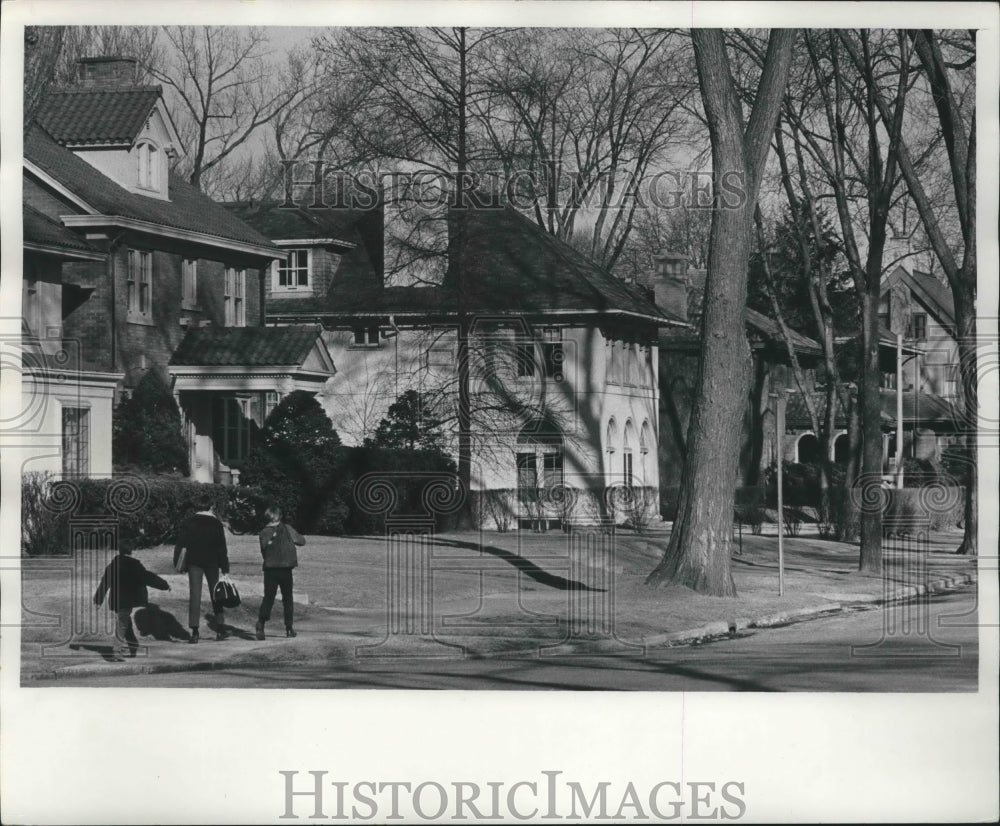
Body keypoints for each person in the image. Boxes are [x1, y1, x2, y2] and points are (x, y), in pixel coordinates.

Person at [93, 546, 170, 661]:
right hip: (128, 599)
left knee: (124, 621)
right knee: (123, 623)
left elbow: (105, 583)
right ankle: (117, 651)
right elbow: (148, 577)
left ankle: (133, 645)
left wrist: (98, 600)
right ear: (131, 552)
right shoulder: (135, 565)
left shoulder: (112, 566)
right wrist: (164, 585)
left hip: (117, 600)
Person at [173, 497, 231, 643]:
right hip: (212, 562)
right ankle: (220, 628)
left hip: (194, 562)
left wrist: (178, 563)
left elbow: (180, 544)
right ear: (211, 506)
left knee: (195, 595)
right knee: (216, 593)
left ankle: (194, 631)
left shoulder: (189, 522)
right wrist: (225, 567)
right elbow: (221, 547)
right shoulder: (216, 523)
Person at [255, 506, 305, 640]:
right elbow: (301, 541)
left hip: (270, 569)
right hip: (286, 568)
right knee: (287, 598)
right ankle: (289, 628)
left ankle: (261, 623)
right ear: (279, 516)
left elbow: (264, 550)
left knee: (268, 598)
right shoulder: (287, 528)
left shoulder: (263, 532)